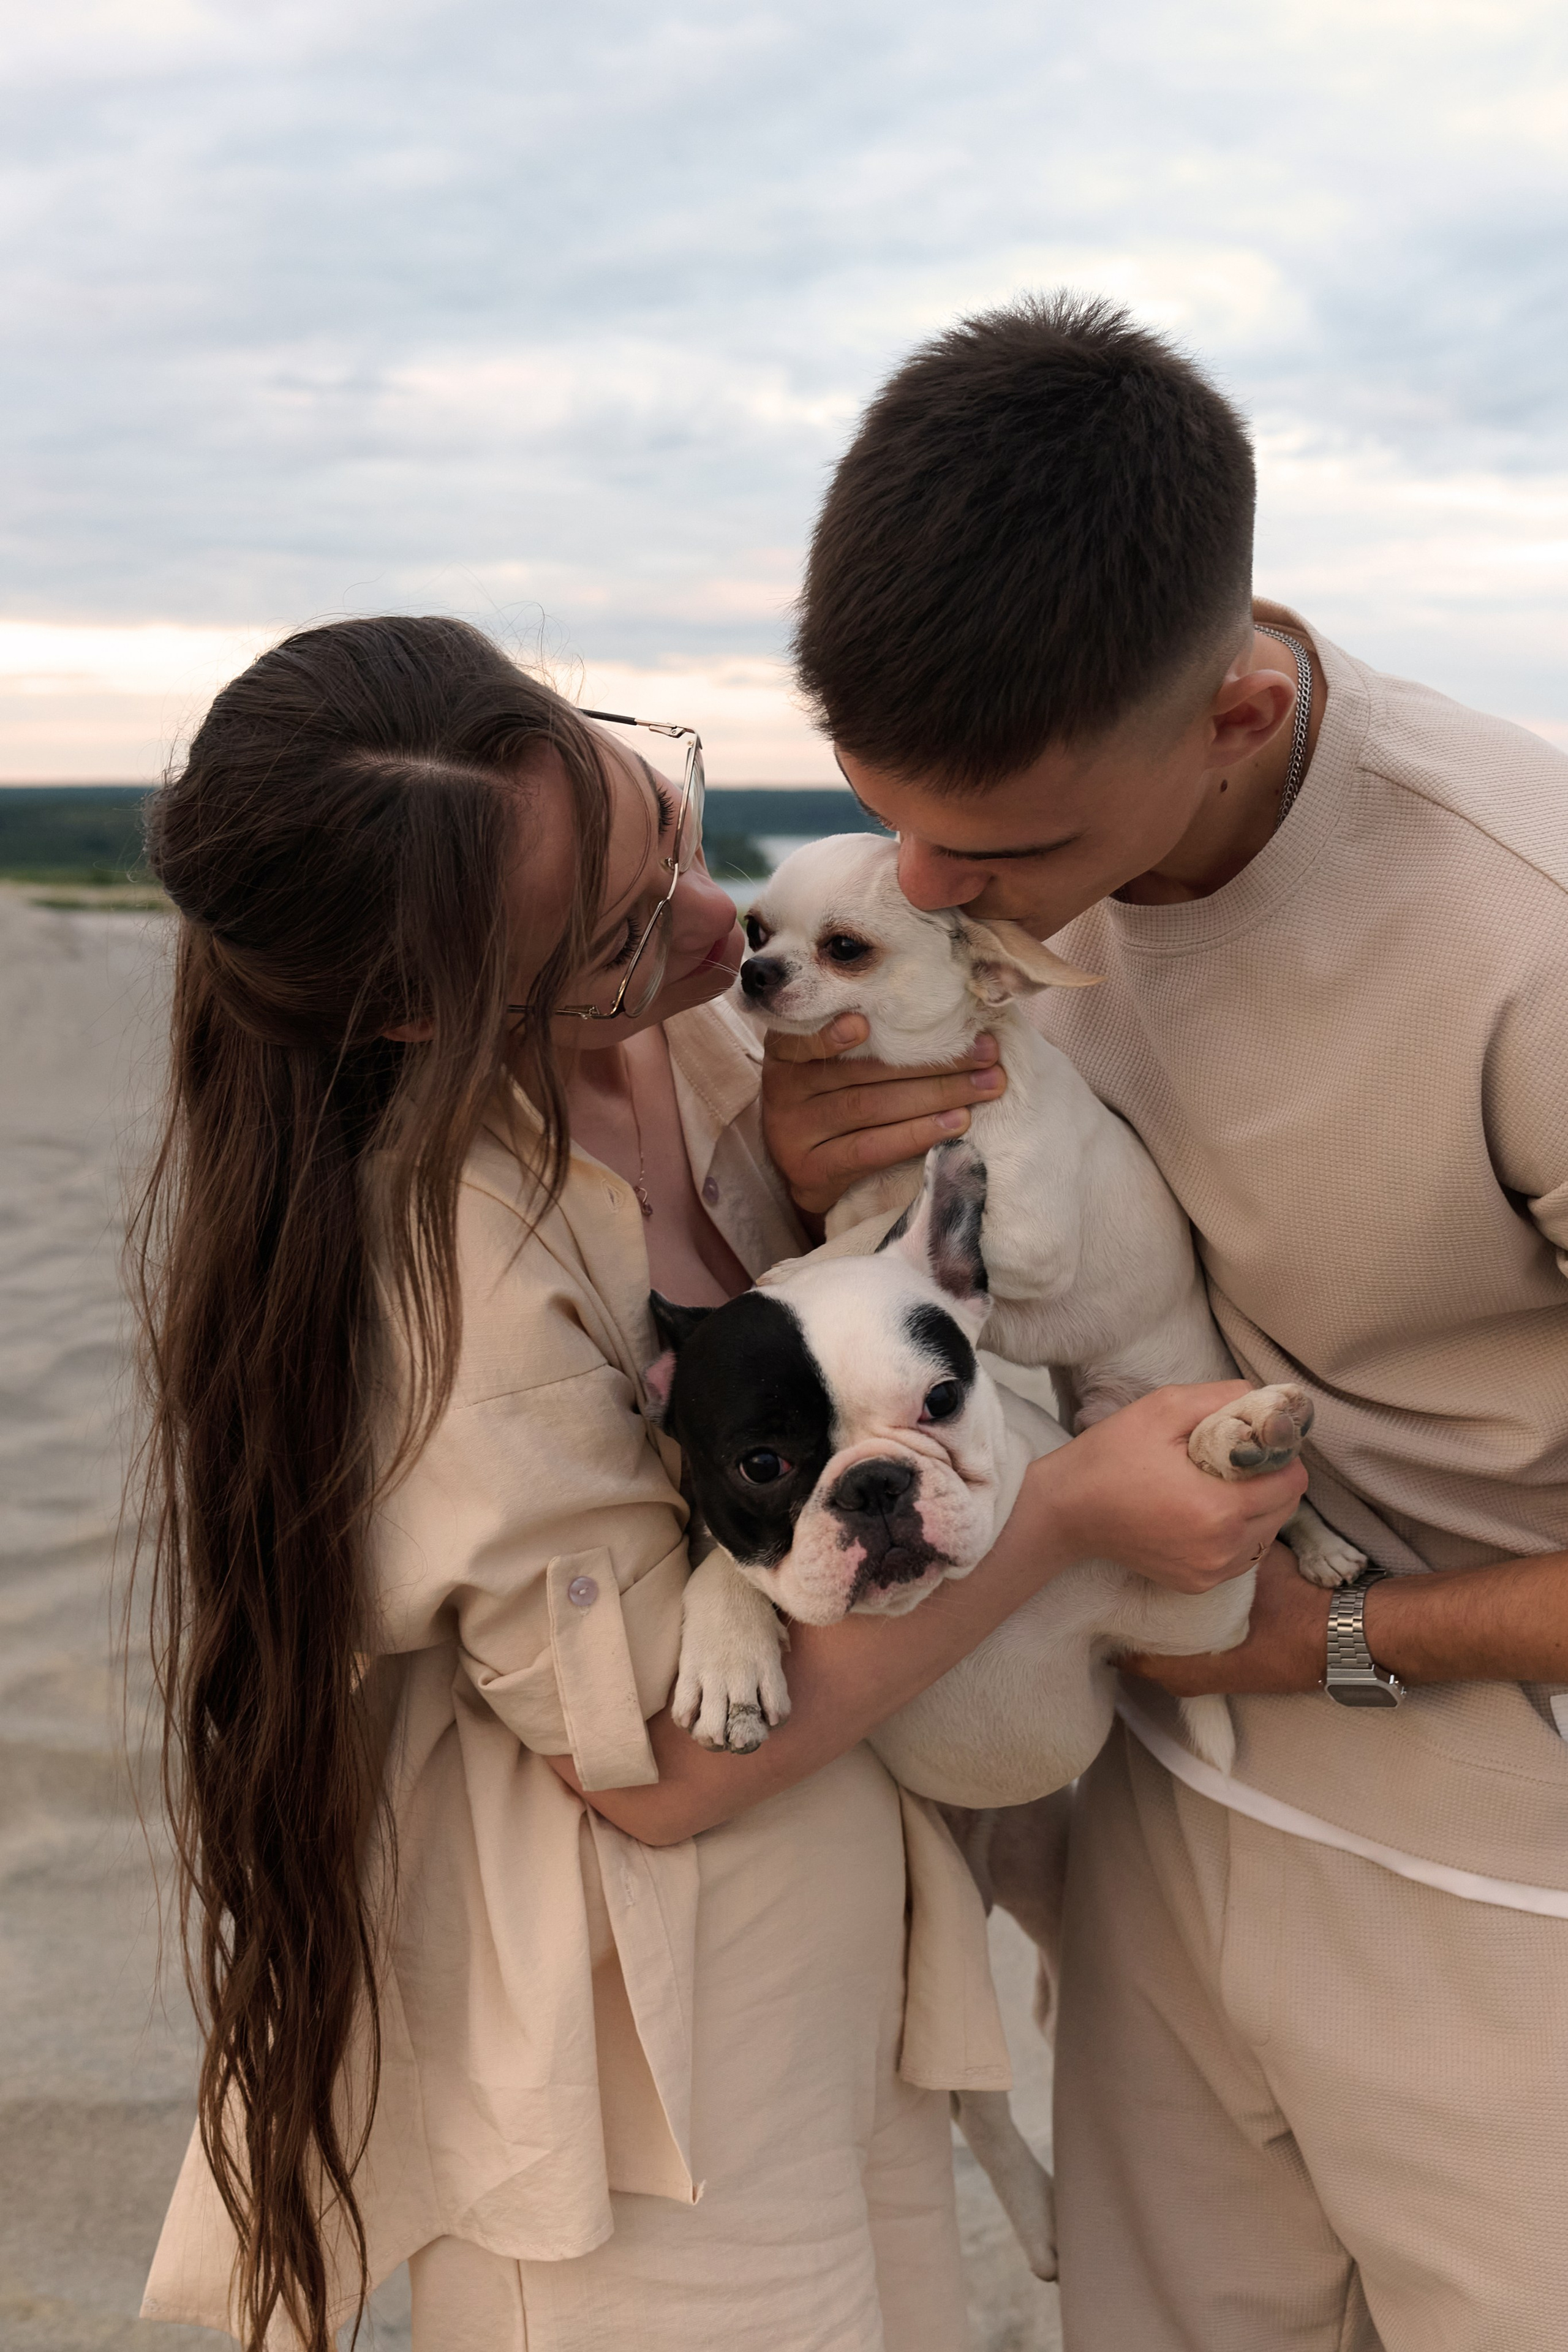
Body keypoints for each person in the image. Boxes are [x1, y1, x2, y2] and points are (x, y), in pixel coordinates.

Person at [130, 614, 1296, 2352]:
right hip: (659, 2075)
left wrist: (784, 1157)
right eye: (615, 934)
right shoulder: (457, 1280)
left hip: (866, 1944)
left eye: (664, 815)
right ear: (429, 1010)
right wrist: (1055, 1515)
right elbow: (661, 1772)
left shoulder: (686, 1040)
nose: (699, 926)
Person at [763, 292, 1568, 2351]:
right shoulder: (975, 860)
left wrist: (1351, 1643)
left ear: (1234, 717)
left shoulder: (1527, 940)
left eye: (1010, 852)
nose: (933, 890)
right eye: (889, 817)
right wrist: (826, 1152)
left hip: (1501, 1865)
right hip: (1139, 1791)